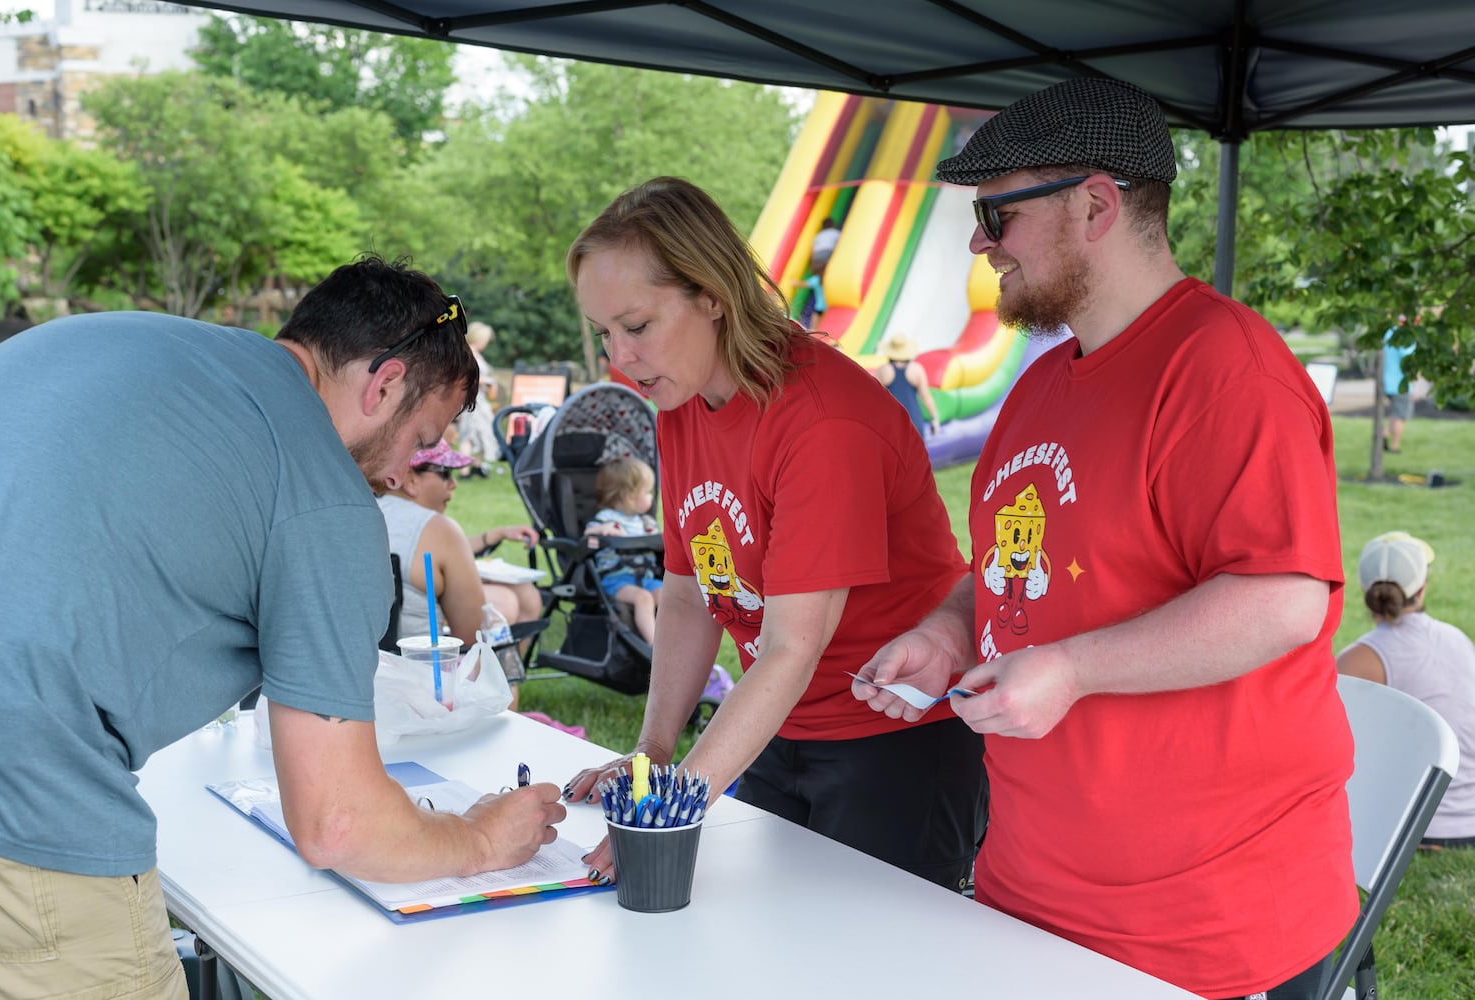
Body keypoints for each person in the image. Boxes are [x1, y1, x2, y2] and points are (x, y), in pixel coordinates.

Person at [853, 78, 1355, 1000]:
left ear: (1095, 204)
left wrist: (1074, 668)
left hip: (1200, 922)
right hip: (1032, 889)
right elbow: (1012, 574)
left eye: (994, 213)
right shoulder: (1044, 385)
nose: (977, 241)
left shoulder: (1226, 369)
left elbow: (1283, 599)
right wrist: (947, 634)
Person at [0, 255, 566, 999]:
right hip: (18, 811)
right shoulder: (323, 494)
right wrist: (480, 839)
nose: (398, 475)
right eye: (419, 439)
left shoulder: (112, 340)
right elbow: (338, 823)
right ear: (383, 385)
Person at [562, 176, 983, 892]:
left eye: (635, 326)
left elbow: (794, 644)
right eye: (605, 333)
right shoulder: (682, 401)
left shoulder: (821, 419)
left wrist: (668, 810)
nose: (619, 358)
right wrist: (653, 755)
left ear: (713, 295)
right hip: (775, 724)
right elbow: (690, 593)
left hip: (889, 740)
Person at [377, 440, 542, 707]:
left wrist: (492, 536)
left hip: (367, 674)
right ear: (410, 479)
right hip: (426, 688)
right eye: (445, 473)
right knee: (502, 618)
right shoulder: (438, 530)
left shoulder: (360, 515)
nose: (453, 484)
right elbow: (470, 636)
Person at [1338, 531, 1475, 847]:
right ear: (1422, 588)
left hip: (1417, 829)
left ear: (1364, 590)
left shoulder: (1360, 658)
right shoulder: (1458, 639)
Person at [584, 456, 665, 644]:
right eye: (647, 492)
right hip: (616, 580)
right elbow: (587, 535)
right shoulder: (606, 519)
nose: (652, 497)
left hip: (646, 578)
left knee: (667, 596)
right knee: (644, 598)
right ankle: (654, 645)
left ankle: (675, 641)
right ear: (630, 496)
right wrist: (601, 531)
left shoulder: (646, 522)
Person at [456, 319, 502, 475]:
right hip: (472, 399)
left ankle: (477, 465)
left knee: (483, 432)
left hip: (481, 399)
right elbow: (467, 376)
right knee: (468, 434)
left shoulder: (476, 354)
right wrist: (488, 381)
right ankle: (465, 471)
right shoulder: (467, 353)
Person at [875, 330, 941, 438]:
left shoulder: (882, 370)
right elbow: (926, 396)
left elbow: (875, 399)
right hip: (914, 420)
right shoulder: (917, 370)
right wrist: (934, 418)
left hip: (892, 422)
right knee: (917, 453)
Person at [1382, 320, 1417, 453]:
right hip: (1401, 384)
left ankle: (1383, 436)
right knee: (1400, 416)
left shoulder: (1389, 333)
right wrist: (1414, 383)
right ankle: (1395, 447)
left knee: (1395, 413)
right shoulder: (1405, 337)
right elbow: (1408, 361)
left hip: (1388, 381)